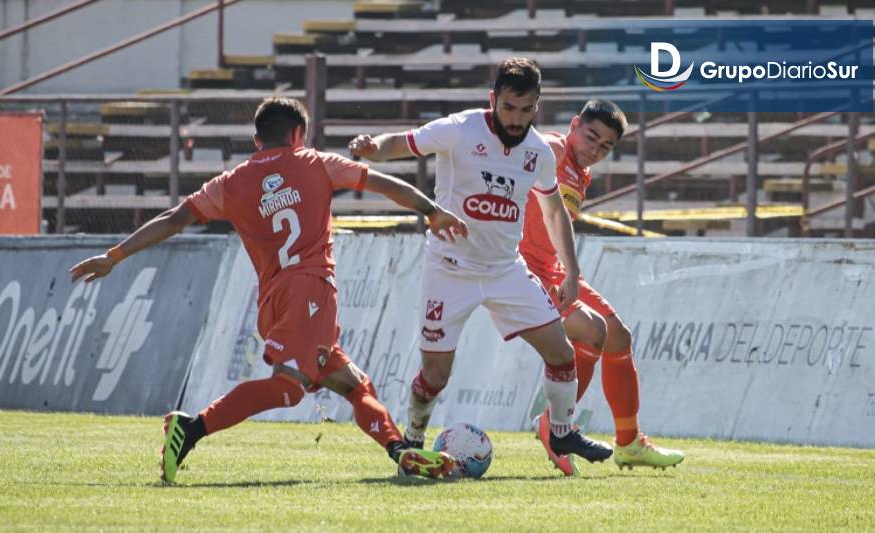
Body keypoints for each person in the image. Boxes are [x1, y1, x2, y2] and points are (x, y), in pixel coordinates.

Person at [70, 97, 468, 483]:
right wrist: (431, 210)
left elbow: (174, 218)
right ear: (299, 134)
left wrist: (115, 255)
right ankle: (190, 429)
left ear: (256, 140)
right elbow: (383, 184)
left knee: (353, 384)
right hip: (311, 290)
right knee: (289, 388)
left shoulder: (231, 182)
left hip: (272, 301)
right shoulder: (316, 163)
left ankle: (400, 452)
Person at [349, 57, 613, 474]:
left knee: (561, 354)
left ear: (537, 106)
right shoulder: (460, 129)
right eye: (509, 107)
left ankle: (561, 430)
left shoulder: (538, 152)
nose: (516, 118)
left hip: (505, 271)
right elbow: (402, 142)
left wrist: (573, 272)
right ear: (493, 99)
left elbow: (554, 213)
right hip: (449, 271)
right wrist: (372, 148)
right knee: (434, 377)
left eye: (526, 110)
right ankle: (413, 440)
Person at [521, 98, 685, 473]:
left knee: (618, 337)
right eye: (590, 137)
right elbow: (526, 150)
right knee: (591, 331)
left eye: (605, 146)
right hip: (523, 269)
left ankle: (628, 443)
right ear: (574, 125)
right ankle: (555, 424)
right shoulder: (554, 148)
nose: (594, 149)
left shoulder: (581, 173)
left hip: (553, 269)